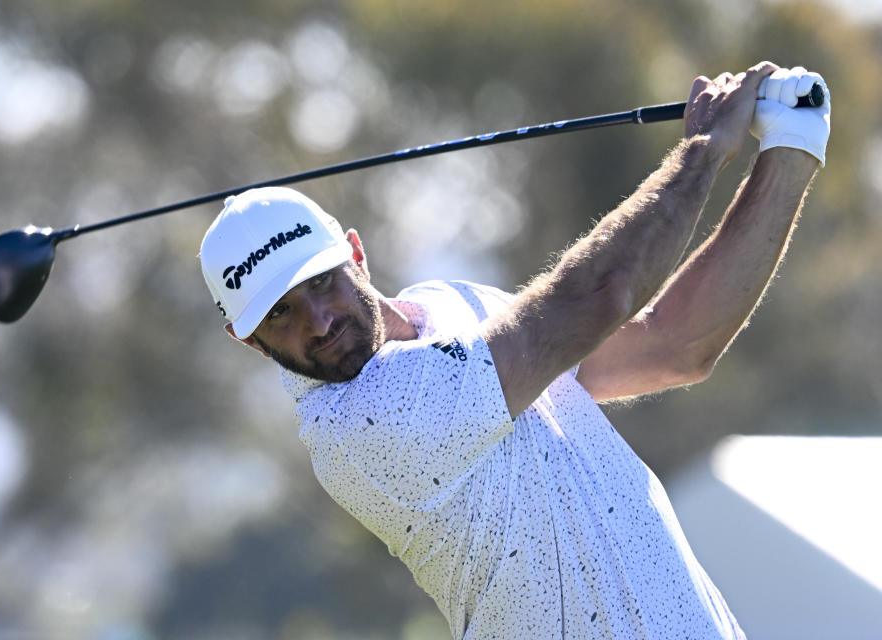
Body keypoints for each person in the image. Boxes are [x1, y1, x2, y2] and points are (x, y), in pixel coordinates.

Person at [199, 61, 830, 639]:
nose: (316, 321)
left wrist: (791, 150)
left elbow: (674, 345)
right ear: (248, 341)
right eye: (280, 314)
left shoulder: (451, 303)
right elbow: (598, 297)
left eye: (321, 282)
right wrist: (702, 153)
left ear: (356, 254)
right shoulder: (355, 425)